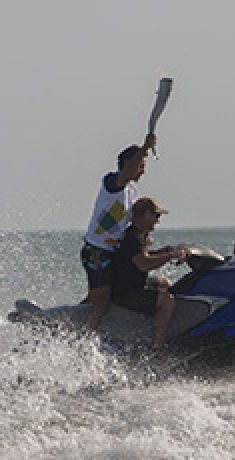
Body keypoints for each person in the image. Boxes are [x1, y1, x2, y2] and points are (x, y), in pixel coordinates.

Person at [79, 131, 157, 331]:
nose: (142, 171)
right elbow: (127, 173)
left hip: (113, 252)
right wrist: (145, 148)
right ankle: (84, 342)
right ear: (129, 164)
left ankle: (72, 321)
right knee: (101, 304)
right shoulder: (112, 183)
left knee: (102, 296)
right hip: (97, 252)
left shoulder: (132, 192)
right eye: (141, 166)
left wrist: (145, 240)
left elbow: (132, 222)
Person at [111, 197, 189, 348]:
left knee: (164, 283)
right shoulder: (132, 237)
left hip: (134, 284)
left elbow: (143, 256)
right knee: (167, 300)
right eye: (157, 216)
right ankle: (158, 344)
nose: (158, 221)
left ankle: (153, 323)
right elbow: (143, 264)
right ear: (146, 214)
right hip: (125, 293)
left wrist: (164, 251)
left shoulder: (139, 235)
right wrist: (171, 256)